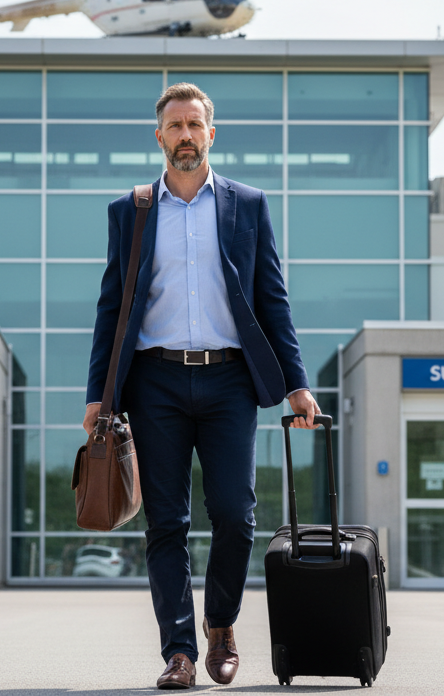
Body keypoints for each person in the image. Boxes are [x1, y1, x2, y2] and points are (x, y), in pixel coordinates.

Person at [84, 83, 321, 690]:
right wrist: (98, 396)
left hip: (230, 381)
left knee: (235, 517)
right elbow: (112, 309)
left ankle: (220, 625)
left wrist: (296, 383)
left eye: (195, 125)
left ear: (211, 133)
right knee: (165, 523)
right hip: (154, 381)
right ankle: (180, 654)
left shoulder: (247, 204)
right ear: (158, 135)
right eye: (175, 127)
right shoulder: (130, 211)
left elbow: (272, 298)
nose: (185, 136)